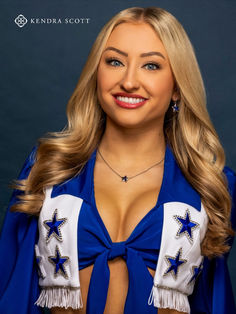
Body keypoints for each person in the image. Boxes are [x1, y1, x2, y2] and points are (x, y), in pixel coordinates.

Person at [0, 6, 235, 314]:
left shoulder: (211, 185)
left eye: (151, 66)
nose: (129, 81)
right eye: (114, 61)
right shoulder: (48, 169)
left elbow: (215, 302)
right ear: (97, 72)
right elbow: (13, 291)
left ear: (177, 87)